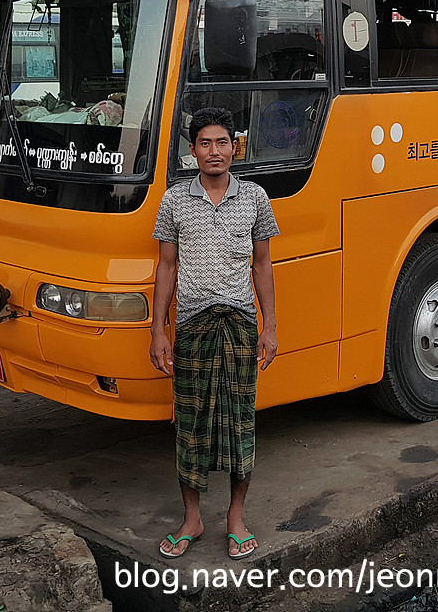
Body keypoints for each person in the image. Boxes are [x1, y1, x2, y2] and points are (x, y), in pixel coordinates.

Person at [150, 106, 278, 560]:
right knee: (190, 425)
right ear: (192, 151)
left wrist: (270, 327)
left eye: (222, 142)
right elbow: (166, 266)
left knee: (239, 424)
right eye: (205, 143)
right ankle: (193, 518)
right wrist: (158, 331)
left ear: (234, 148)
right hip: (191, 326)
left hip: (240, 323)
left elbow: (262, 264)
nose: (214, 151)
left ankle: (235, 518)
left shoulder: (255, 199)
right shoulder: (174, 201)